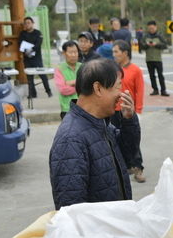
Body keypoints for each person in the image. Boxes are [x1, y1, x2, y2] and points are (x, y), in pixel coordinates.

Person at [49, 59, 139, 210]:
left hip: (115, 223)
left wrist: (129, 120)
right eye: (118, 86)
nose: (121, 94)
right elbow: (72, 210)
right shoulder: (71, 139)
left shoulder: (100, 123)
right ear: (98, 88)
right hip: (99, 231)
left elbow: (128, 156)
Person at [111, 40, 146, 183]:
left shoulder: (135, 70)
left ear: (125, 53)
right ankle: (124, 166)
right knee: (117, 140)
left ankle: (138, 167)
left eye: (116, 52)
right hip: (113, 110)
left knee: (133, 140)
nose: (114, 55)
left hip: (128, 112)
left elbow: (139, 90)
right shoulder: (113, 70)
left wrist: (137, 110)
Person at [18, 16, 52, 99]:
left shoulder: (38, 33)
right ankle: (32, 94)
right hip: (27, 58)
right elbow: (20, 43)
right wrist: (26, 51)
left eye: (29, 23)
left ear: (33, 23)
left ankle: (48, 91)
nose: (27, 25)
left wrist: (31, 49)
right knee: (30, 78)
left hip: (37, 58)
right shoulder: (22, 34)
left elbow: (38, 44)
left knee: (43, 75)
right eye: (25, 23)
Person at [54, 40, 82, 120]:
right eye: (70, 52)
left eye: (76, 52)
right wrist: (80, 86)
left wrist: (71, 83)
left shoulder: (82, 67)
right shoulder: (59, 69)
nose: (73, 55)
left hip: (83, 108)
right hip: (67, 109)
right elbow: (63, 90)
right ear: (64, 53)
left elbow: (88, 86)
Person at [140, 20, 169, 96]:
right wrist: (147, 45)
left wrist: (156, 44)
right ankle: (155, 89)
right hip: (149, 59)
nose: (151, 30)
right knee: (152, 75)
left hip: (158, 59)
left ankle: (163, 90)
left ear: (156, 27)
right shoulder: (145, 36)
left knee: (160, 75)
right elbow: (141, 46)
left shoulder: (159, 36)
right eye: (149, 28)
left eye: (152, 28)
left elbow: (165, 45)